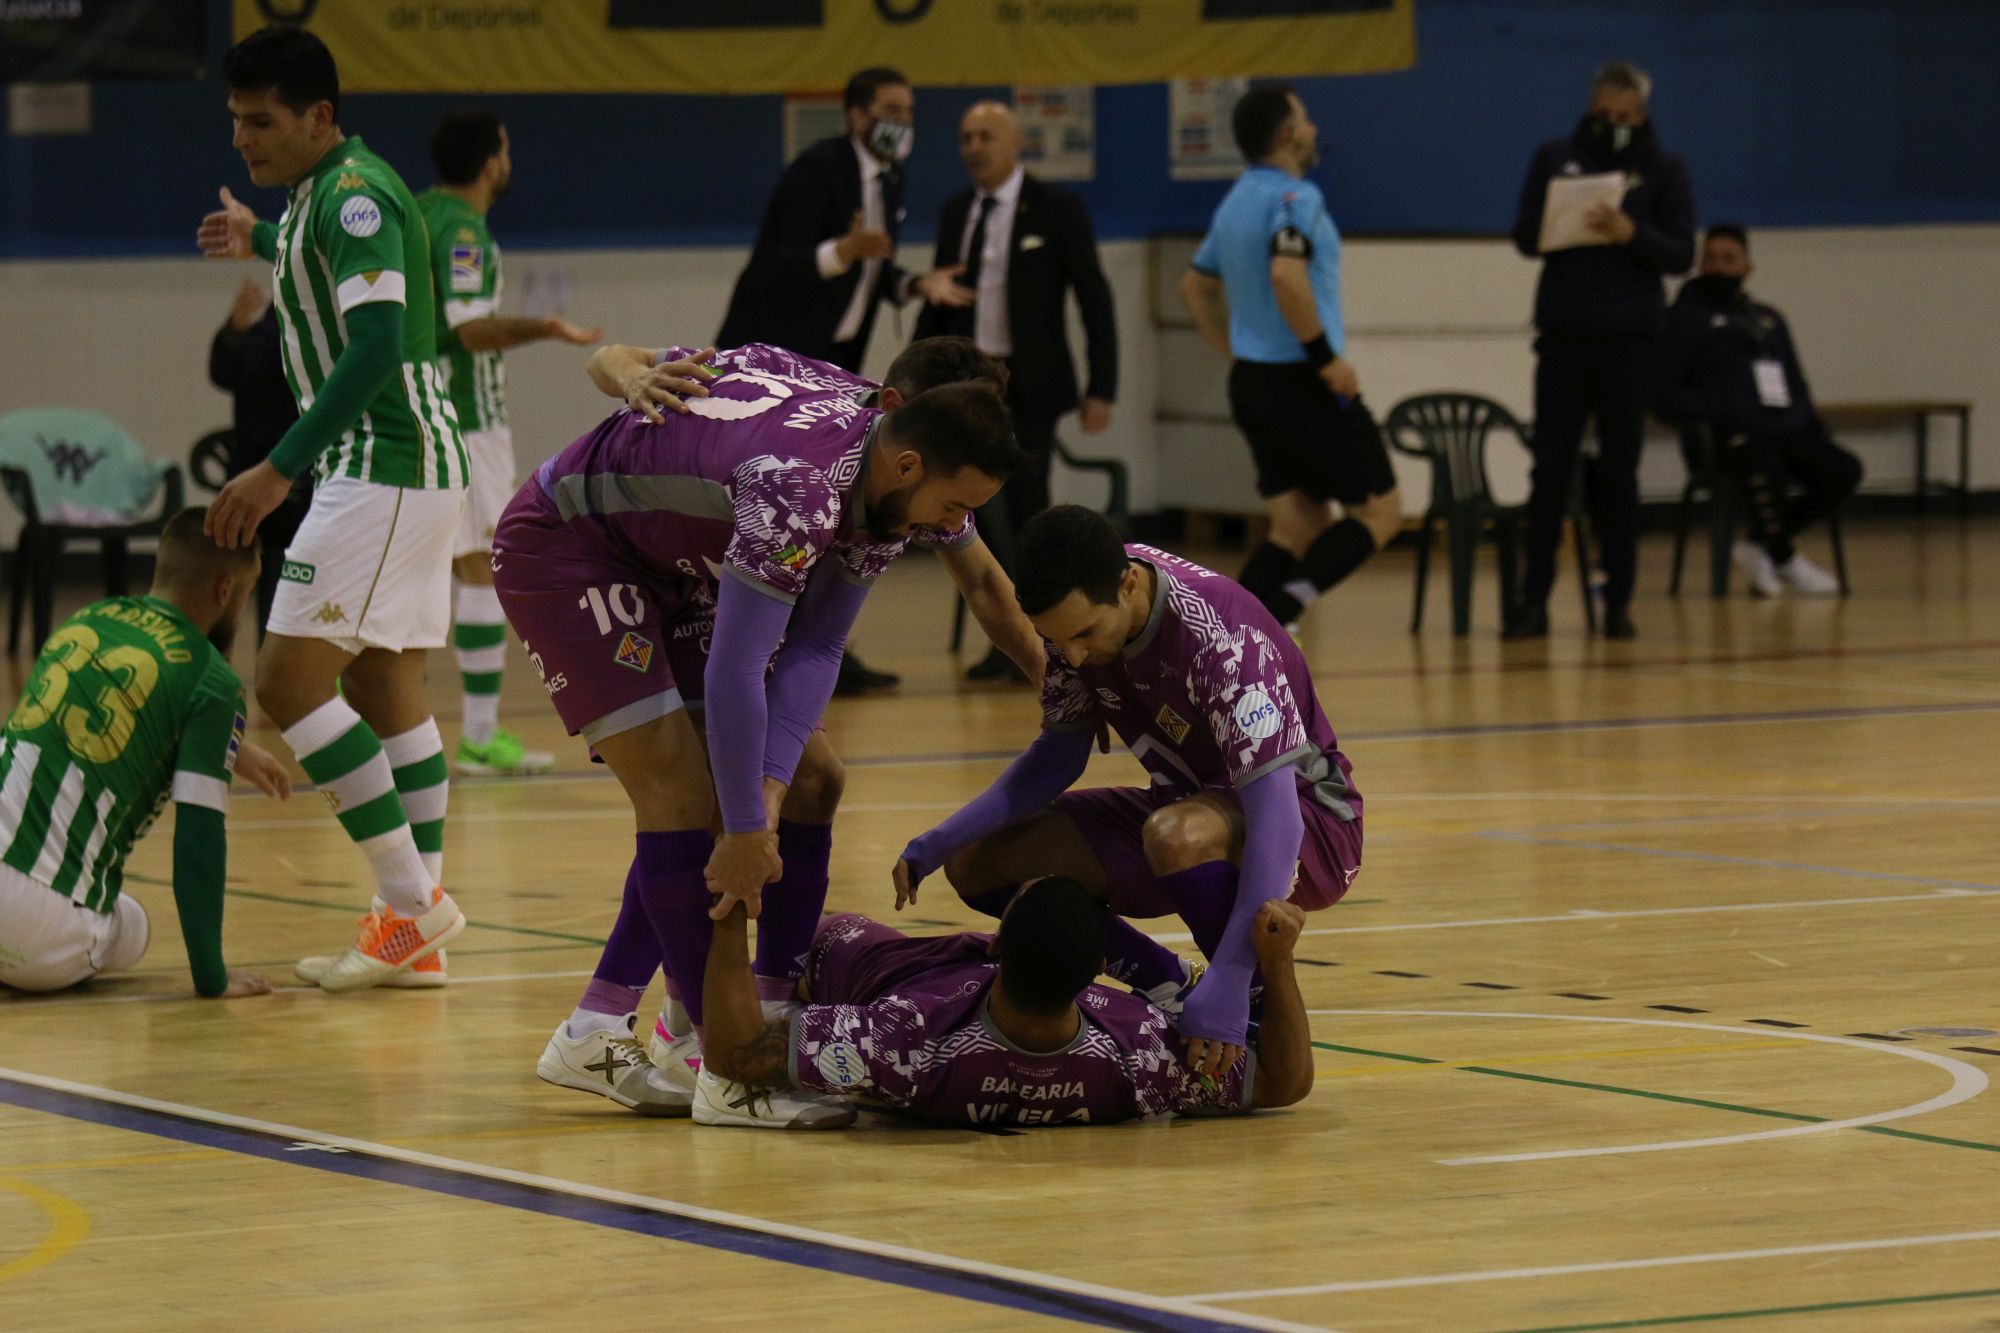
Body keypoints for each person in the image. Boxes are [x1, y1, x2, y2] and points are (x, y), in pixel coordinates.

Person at [494, 339, 1036, 1126]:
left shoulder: (885, 479)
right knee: (686, 793)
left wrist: (771, 796)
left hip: (679, 563)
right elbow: (737, 669)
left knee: (813, 778)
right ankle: (730, 1065)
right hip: (570, 544)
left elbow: (816, 648)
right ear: (910, 445)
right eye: (954, 509)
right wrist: (750, 825)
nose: (956, 529)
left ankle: (722, 1022)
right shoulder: (801, 486)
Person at [895, 504, 1362, 1079]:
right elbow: (1057, 757)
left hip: (1312, 827)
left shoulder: (1222, 643)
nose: (1074, 657)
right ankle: (1166, 979)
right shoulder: (1077, 624)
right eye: (1056, 641)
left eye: (1085, 634)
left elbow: (1279, 822)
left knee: (1175, 835)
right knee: (978, 861)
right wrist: (942, 841)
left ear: (1129, 584)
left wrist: (1234, 979)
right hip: (1186, 811)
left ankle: (1247, 1011)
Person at [197, 25, 469, 992]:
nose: (242, 138)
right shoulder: (321, 193)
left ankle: (412, 901)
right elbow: (316, 253)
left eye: (260, 120)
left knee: (287, 681)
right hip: (401, 463)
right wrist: (258, 236)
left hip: (384, 461)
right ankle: (414, 933)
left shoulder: (354, 196)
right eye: (234, 121)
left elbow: (376, 345)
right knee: (387, 690)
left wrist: (277, 467)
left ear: (321, 117)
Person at [717, 67, 968, 697]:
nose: (903, 121)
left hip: (832, 366)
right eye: (890, 108)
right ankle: (759, 641)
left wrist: (913, 284)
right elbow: (780, 262)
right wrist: (843, 252)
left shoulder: (891, 177)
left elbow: (872, 266)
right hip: (775, 362)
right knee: (786, 507)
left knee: (830, 508)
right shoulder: (817, 170)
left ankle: (820, 643)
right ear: (856, 114)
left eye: (910, 110)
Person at [696, 880, 1315, 1128]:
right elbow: (1285, 1082)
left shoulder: (897, 1038)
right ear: (1099, 975)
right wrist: (1277, 967)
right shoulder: (1142, 1053)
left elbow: (733, 1055)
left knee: (824, 933)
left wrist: (730, 904)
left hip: (896, 973)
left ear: (994, 945)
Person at [0, 508, 292, 997]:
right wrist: (211, 978)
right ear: (225, 591)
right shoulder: (212, 682)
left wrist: (233, 747)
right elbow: (199, 839)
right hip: (37, 931)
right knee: (132, 928)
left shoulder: (91, 619)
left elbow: (110, 712)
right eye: (245, 593)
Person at [418, 107, 603, 778]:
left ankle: (456, 734)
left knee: (446, 562)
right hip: (467, 416)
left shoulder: (421, 213)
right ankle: (478, 736)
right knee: (476, 565)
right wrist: (547, 327)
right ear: (492, 162)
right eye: (506, 147)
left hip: (424, 408)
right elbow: (471, 331)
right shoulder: (464, 230)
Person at [1178, 85, 1401, 630]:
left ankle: (1221, 634)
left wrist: (1237, 352)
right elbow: (1286, 274)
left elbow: (1193, 287)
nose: (1315, 130)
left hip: (1253, 383)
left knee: (1295, 523)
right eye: (1305, 120)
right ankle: (1281, 612)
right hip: (1303, 381)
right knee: (1380, 512)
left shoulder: (1235, 200)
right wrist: (1325, 360)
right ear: (1286, 135)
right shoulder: (1297, 199)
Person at [914, 100, 1119, 683]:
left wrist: (1103, 384)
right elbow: (940, 301)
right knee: (972, 511)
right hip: (969, 385)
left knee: (1030, 508)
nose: (973, 146)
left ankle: (1044, 633)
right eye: (966, 135)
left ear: (1015, 144)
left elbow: (1094, 298)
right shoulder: (958, 211)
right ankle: (1007, 637)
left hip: (1032, 383)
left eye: (985, 135)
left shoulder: (1057, 207)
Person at [1506, 60, 1696, 640]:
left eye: (1626, 116)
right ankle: (1532, 601)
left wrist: (1630, 234)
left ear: (1642, 115)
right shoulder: (1554, 156)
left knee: (1620, 476)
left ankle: (1618, 602)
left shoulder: (1665, 170)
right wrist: (1561, 223)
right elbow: (1523, 235)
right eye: (1604, 114)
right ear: (1591, 107)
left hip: (1630, 343)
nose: (1614, 124)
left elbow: (1681, 253)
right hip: (1564, 338)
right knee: (1550, 473)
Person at [1655, 225, 1860, 597]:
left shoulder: (1768, 319)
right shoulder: (1682, 319)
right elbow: (1661, 390)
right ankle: (1785, 557)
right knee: (1762, 462)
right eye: (1711, 258)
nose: (1718, 267)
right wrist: (1714, 409)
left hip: (1781, 428)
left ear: (1748, 267)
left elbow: (1796, 382)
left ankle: (1758, 543)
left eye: (1729, 259)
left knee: (1843, 468)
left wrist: (1805, 420)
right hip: (1722, 436)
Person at [205, 278, 306, 638]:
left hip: (315, 471)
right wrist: (235, 329)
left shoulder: (338, 328)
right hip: (265, 469)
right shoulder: (272, 329)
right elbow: (225, 373)